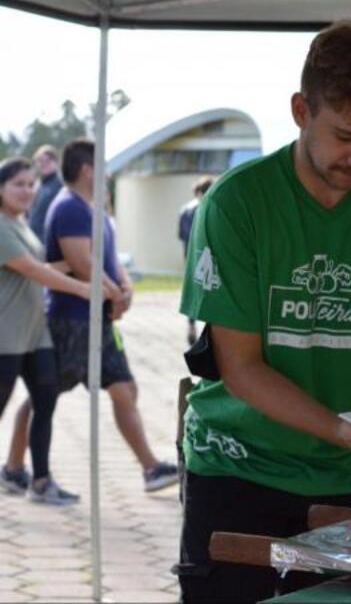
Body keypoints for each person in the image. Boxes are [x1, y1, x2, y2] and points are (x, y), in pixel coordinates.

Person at [177, 19, 351, 602]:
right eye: (345, 136)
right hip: (236, 467)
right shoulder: (237, 203)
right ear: (301, 109)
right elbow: (240, 366)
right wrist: (339, 429)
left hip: (347, 478)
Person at [8, 139, 179, 497]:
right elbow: (84, 265)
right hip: (71, 320)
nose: (107, 172)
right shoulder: (69, 207)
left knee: (124, 389)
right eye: (102, 165)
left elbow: (110, 261)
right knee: (44, 397)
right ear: (88, 169)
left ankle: (151, 469)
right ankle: (13, 467)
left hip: (99, 320)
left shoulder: (96, 209)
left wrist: (126, 289)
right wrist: (113, 295)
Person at [0, 157, 118, 504]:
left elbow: (39, 266)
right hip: (6, 337)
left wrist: (83, 262)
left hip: (36, 335)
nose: (26, 190)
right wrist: (86, 288)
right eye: (17, 184)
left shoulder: (18, 223)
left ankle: (40, 482)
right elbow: (32, 271)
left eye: (30, 183)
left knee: (45, 402)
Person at [178, 176, 214, 345]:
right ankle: (212, 330)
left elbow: (181, 236)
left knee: (192, 294)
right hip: (209, 257)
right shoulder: (211, 208)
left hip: (190, 257)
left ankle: (191, 326)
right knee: (211, 291)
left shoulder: (184, 210)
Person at [27, 145, 61, 241]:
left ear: (55, 162)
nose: (43, 164)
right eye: (40, 161)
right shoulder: (36, 185)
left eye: (48, 160)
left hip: (49, 240)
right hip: (33, 239)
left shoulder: (60, 184)